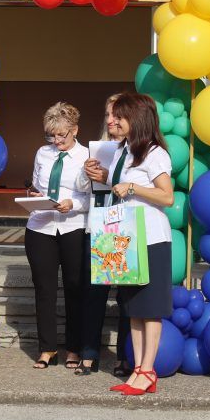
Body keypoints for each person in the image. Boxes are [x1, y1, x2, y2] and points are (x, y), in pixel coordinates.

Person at [87, 93, 173, 396]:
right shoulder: (124, 151)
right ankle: (138, 369)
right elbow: (122, 188)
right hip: (126, 239)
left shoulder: (154, 153)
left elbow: (167, 196)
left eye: (119, 117)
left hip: (150, 238)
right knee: (133, 308)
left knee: (151, 310)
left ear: (135, 119)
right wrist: (107, 178)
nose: (113, 122)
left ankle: (148, 370)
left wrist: (134, 187)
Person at [24, 102, 90, 370]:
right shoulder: (43, 153)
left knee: (75, 288)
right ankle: (47, 348)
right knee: (44, 290)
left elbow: (91, 197)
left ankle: (73, 347)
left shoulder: (87, 155)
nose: (56, 140)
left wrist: (72, 204)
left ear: (75, 130)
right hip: (41, 226)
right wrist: (34, 196)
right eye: (52, 135)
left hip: (73, 226)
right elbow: (37, 185)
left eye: (62, 135)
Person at [78, 94, 131, 376]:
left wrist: (109, 178)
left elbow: (138, 185)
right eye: (108, 114)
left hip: (124, 225)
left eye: (116, 114)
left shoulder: (137, 149)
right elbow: (81, 188)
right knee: (94, 293)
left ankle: (125, 355)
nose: (110, 120)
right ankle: (89, 353)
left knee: (125, 294)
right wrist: (86, 174)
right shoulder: (99, 147)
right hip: (98, 224)